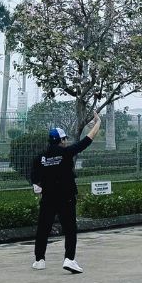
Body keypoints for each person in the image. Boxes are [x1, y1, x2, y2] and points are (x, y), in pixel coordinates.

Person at [31, 111, 102, 273]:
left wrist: (37, 184)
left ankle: (39, 260)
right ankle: (69, 259)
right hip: (66, 198)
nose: (66, 141)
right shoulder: (66, 153)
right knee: (70, 229)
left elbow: (34, 177)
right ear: (61, 140)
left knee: (43, 229)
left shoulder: (40, 158)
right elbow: (87, 140)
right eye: (65, 139)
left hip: (48, 199)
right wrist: (98, 123)